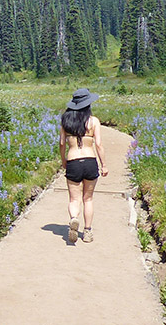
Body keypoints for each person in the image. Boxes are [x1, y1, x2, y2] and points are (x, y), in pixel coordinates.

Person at [59, 88, 107, 244]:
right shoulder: (93, 121)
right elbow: (98, 144)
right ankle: (87, 232)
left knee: (74, 199)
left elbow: (61, 144)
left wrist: (63, 161)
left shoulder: (65, 120)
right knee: (88, 199)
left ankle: (74, 218)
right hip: (90, 161)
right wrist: (104, 165)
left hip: (73, 160)